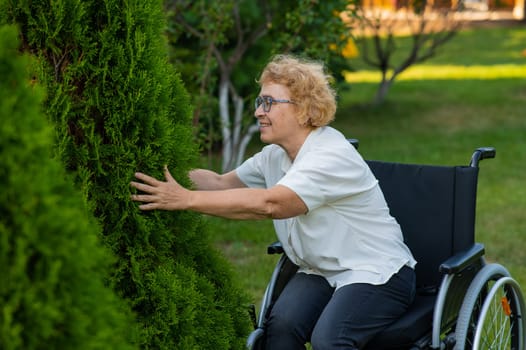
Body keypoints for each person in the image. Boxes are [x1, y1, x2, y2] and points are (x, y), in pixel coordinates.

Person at [130, 54, 417, 349]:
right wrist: (160, 167)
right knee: (279, 328)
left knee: (330, 339)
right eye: (259, 102)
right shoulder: (275, 156)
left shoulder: (330, 156)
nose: (258, 112)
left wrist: (186, 200)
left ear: (304, 109)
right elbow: (219, 183)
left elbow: (272, 204)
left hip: (377, 273)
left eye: (269, 102)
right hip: (322, 269)